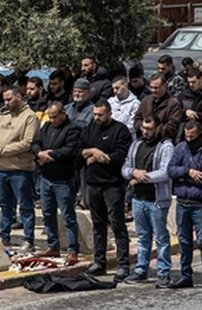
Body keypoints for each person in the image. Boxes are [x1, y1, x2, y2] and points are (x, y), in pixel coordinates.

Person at [81, 100, 133, 280]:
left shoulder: (120, 130)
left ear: (109, 113)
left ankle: (123, 264)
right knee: (98, 225)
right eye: (95, 114)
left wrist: (96, 157)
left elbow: (120, 155)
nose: (97, 118)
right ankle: (99, 262)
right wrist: (93, 151)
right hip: (93, 184)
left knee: (117, 224)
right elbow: (79, 151)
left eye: (100, 115)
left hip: (112, 184)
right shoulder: (90, 129)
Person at [121, 114, 175, 287]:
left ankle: (163, 272)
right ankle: (141, 269)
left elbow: (165, 172)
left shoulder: (166, 146)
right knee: (143, 237)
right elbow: (125, 167)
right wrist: (133, 173)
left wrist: (142, 177)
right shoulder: (136, 144)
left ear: (158, 128)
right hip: (138, 198)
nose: (146, 132)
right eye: (144, 128)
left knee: (161, 237)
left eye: (149, 129)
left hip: (156, 200)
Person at [166, 121, 202, 294]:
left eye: (192, 136)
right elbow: (171, 170)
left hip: (201, 204)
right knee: (184, 241)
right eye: (187, 136)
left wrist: (182, 177)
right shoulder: (181, 147)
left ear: (200, 134)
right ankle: (185, 275)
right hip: (182, 201)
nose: (189, 139)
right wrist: (189, 172)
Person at [0, 85, 40, 251]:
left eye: (9, 99)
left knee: (25, 205)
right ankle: (4, 236)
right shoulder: (3, 115)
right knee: (4, 205)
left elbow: (27, 142)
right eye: (5, 99)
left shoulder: (29, 117)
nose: (6, 102)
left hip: (20, 168)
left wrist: (3, 150)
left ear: (19, 96)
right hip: (0, 168)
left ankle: (28, 239)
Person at [32, 101, 82, 262]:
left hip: (63, 180)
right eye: (50, 117)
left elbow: (70, 150)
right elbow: (36, 143)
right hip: (46, 178)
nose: (52, 120)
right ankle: (53, 245)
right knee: (48, 214)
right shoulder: (46, 127)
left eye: (55, 117)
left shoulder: (72, 128)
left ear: (62, 114)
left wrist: (50, 155)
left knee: (68, 215)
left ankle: (73, 248)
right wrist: (39, 154)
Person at [134, 73, 184, 145]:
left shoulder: (173, 104)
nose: (153, 90)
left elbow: (172, 127)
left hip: (163, 143)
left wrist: (153, 131)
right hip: (144, 141)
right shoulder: (146, 100)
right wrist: (143, 128)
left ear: (164, 86)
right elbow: (137, 119)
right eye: (151, 87)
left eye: (156, 88)